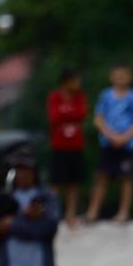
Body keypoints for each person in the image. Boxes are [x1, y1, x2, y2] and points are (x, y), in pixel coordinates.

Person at [86, 63, 133, 225]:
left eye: (124, 75)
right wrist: (111, 135)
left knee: (127, 178)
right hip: (108, 142)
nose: (120, 78)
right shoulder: (105, 95)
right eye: (117, 75)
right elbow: (98, 119)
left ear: (130, 77)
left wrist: (125, 137)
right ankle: (93, 212)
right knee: (102, 176)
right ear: (111, 76)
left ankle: (123, 212)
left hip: (128, 143)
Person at [47, 67, 89, 228]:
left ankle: (71, 214)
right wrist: (70, 116)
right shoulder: (55, 97)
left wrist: (66, 116)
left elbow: (82, 114)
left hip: (75, 145)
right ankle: (53, 213)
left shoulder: (80, 97)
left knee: (74, 182)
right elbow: (54, 117)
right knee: (56, 182)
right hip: (59, 145)